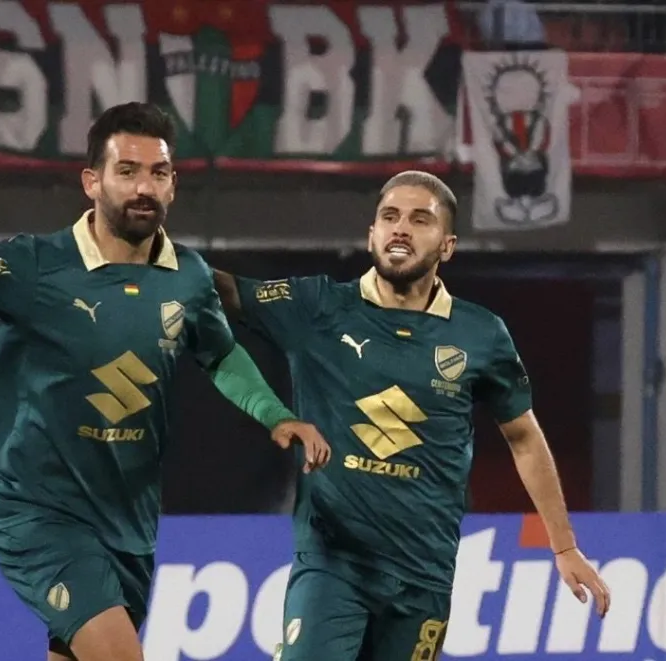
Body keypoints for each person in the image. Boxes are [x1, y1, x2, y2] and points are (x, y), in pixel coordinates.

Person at [0, 102, 331, 661]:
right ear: (91, 182)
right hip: (42, 515)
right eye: (127, 171)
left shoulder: (188, 277)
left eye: (158, 173)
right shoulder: (33, 265)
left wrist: (275, 414)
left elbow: (221, 356)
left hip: (129, 522)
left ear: (173, 185)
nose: (144, 187)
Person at [212, 170, 611, 660]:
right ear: (371, 235)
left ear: (447, 246)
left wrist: (564, 546)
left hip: (425, 573)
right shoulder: (319, 306)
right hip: (333, 561)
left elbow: (524, 437)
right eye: (390, 217)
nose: (401, 228)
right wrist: (152, 254)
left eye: (420, 220)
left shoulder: (481, 334)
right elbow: (224, 291)